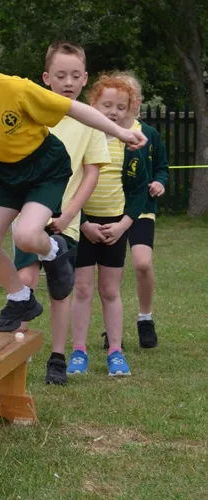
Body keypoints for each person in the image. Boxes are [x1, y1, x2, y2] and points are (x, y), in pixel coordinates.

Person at [0, 21, 147, 336]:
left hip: (45, 169)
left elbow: (75, 110)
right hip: (6, 174)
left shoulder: (16, 89)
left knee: (26, 235)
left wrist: (120, 132)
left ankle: (53, 251)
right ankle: (20, 298)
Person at [14, 41, 110, 385]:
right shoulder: (33, 113)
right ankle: (14, 354)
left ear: (84, 78)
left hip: (64, 223)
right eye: (60, 75)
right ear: (46, 78)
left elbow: (92, 173)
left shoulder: (90, 121)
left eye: (74, 75)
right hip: (29, 217)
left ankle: (57, 357)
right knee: (25, 282)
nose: (68, 82)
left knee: (60, 288)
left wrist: (70, 215)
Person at [68, 74, 149, 377]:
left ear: (129, 109)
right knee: (82, 288)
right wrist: (83, 223)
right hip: (83, 226)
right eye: (107, 105)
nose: (113, 112)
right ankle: (78, 351)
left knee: (110, 290)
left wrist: (123, 226)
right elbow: (69, 187)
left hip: (116, 227)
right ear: (93, 105)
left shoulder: (130, 144)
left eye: (120, 107)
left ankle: (116, 352)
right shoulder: (83, 139)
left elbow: (139, 192)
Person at [116, 72, 169, 349]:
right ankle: (112, 327)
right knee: (112, 273)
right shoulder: (100, 132)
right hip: (110, 209)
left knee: (142, 264)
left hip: (142, 210)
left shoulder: (149, 134)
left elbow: (162, 167)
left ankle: (145, 319)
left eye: (127, 100)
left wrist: (160, 182)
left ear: (136, 102)